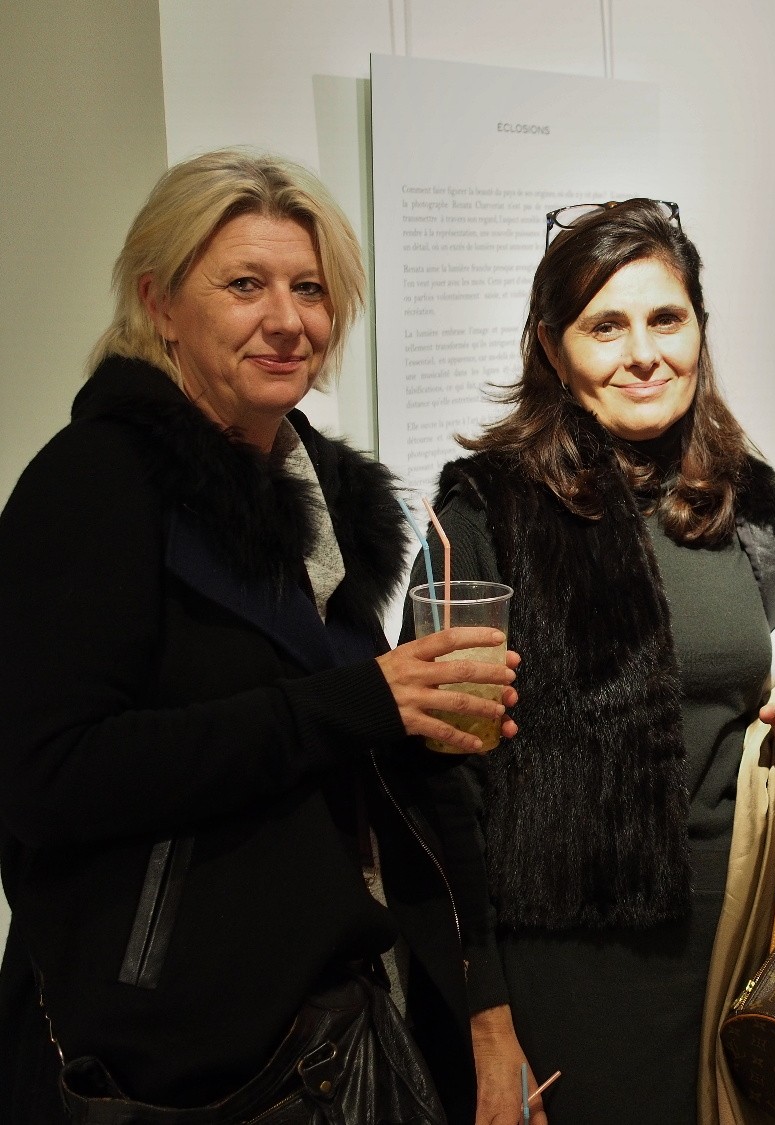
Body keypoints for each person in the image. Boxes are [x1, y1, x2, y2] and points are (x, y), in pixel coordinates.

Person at [0, 149, 519, 1124]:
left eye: (309, 289)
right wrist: (353, 703)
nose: (287, 320)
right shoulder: (95, 484)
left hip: (330, 1030)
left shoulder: (315, 493)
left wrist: (484, 1014)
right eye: (245, 285)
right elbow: (49, 776)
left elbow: (361, 763)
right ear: (159, 304)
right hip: (164, 1066)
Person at [408, 198, 775, 1124]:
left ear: (699, 328)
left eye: (667, 318)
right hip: (574, 981)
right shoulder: (487, 511)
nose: (644, 353)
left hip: (752, 945)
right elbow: (442, 793)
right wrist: (485, 1021)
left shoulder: (749, 501)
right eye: (605, 326)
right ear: (552, 345)